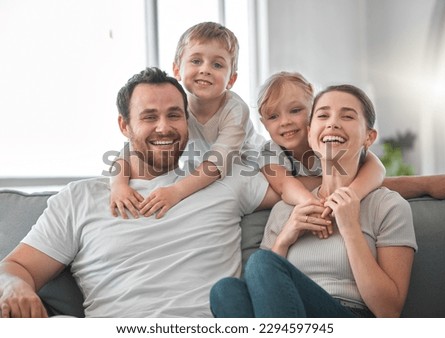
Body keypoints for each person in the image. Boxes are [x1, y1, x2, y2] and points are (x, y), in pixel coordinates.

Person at [0, 67, 277, 318]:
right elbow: (15, 267)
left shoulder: (226, 180)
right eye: (149, 117)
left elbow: (306, 187)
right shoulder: (80, 198)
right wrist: (14, 286)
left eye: (174, 115)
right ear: (124, 125)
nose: (164, 127)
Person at [210, 84, 418, 318]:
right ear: (310, 134)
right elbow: (258, 293)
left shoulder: (388, 206)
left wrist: (350, 228)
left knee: (261, 263)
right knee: (225, 290)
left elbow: (388, 311)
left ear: (369, 137)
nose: (333, 123)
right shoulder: (285, 210)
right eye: (323, 115)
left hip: (351, 316)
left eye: (347, 116)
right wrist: (284, 239)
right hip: (288, 315)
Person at [110, 22, 264, 219]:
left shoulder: (235, 110)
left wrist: (177, 191)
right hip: (214, 172)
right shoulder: (176, 107)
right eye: (196, 61)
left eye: (217, 64)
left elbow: (217, 162)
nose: (205, 69)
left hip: (255, 165)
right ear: (176, 70)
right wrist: (118, 185)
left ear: (231, 80)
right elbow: (128, 149)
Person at [257, 72, 386, 238]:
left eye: (295, 110)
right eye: (273, 116)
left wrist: (350, 195)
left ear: (313, 109)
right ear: (263, 123)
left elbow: (376, 168)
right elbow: (284, 185)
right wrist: (314, 206)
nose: (285, 122)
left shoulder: (330, 143)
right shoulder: (270, 152)